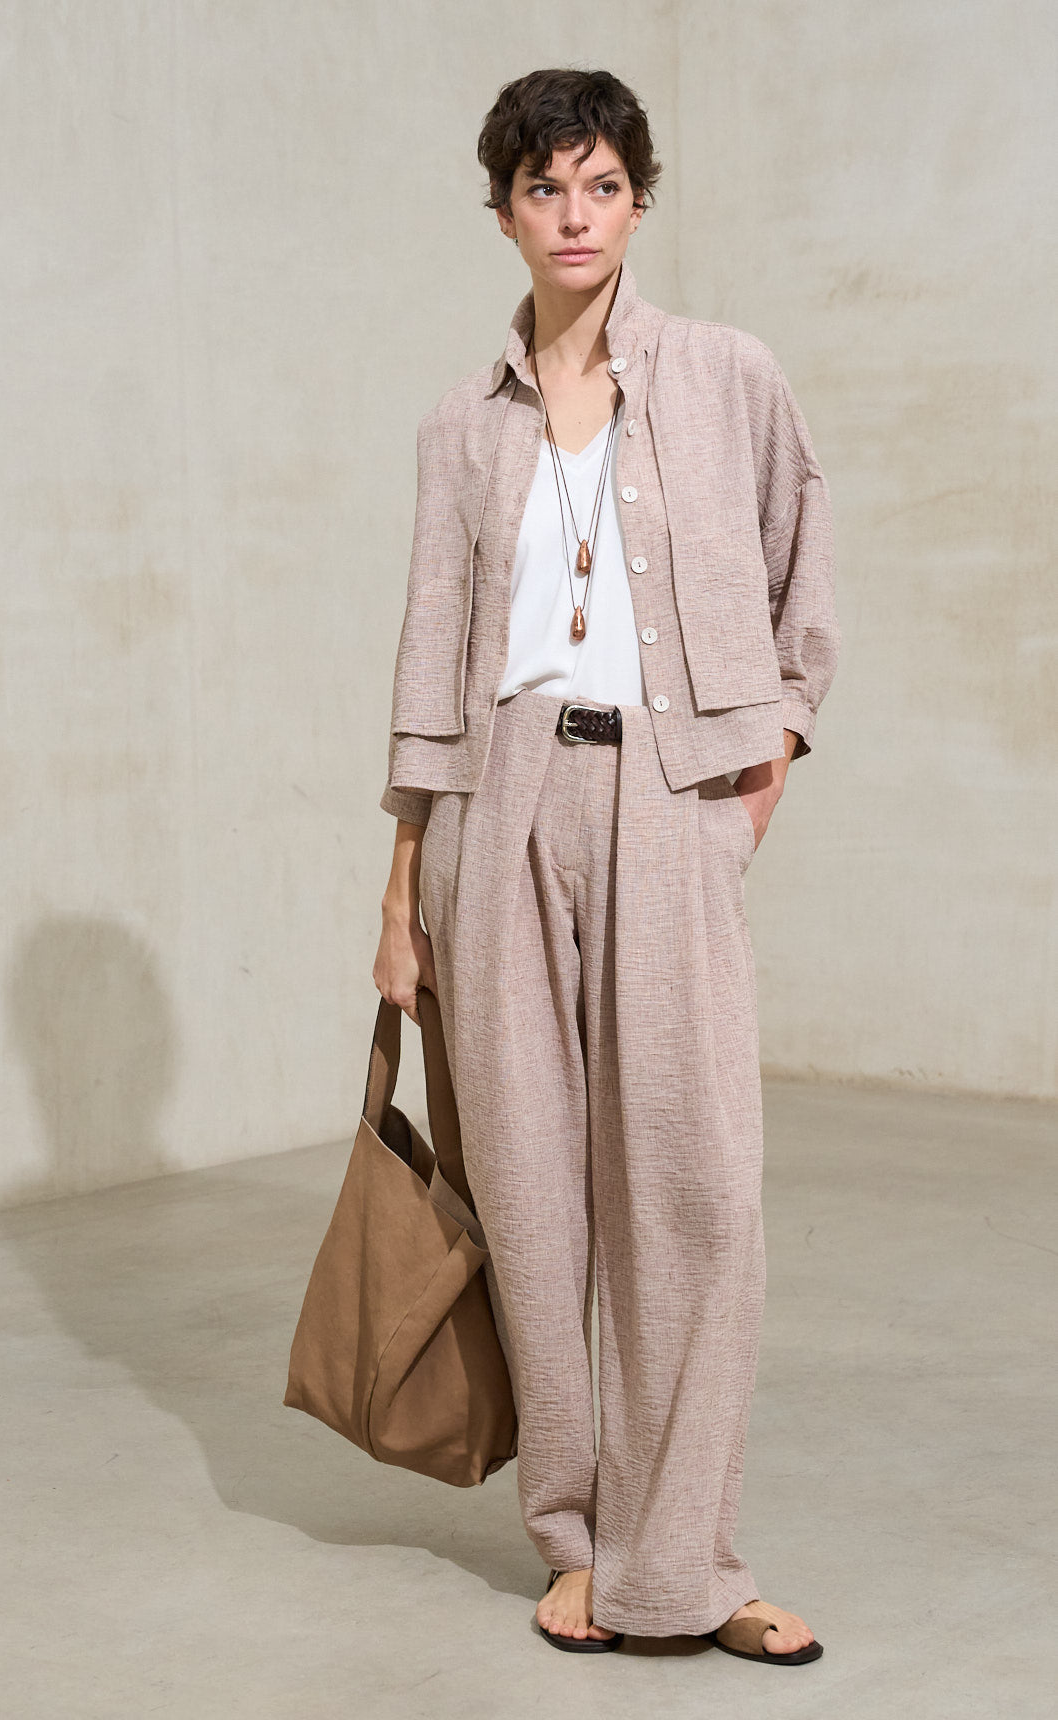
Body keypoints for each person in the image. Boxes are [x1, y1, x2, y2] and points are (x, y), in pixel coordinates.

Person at [372, 66, 838, 1667]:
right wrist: (402, 891)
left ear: (639, 200)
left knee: (695, 1188)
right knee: (529, 1191)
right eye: (542, 189)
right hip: (495, 801)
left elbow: (800, 564)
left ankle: (683, 1563)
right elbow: (431, 652)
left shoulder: (726, 374)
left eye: (600, 187)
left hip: (666, 790)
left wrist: (758, 771)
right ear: (502, 210)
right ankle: (575, 1543)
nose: (573, 216)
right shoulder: (460, 426)